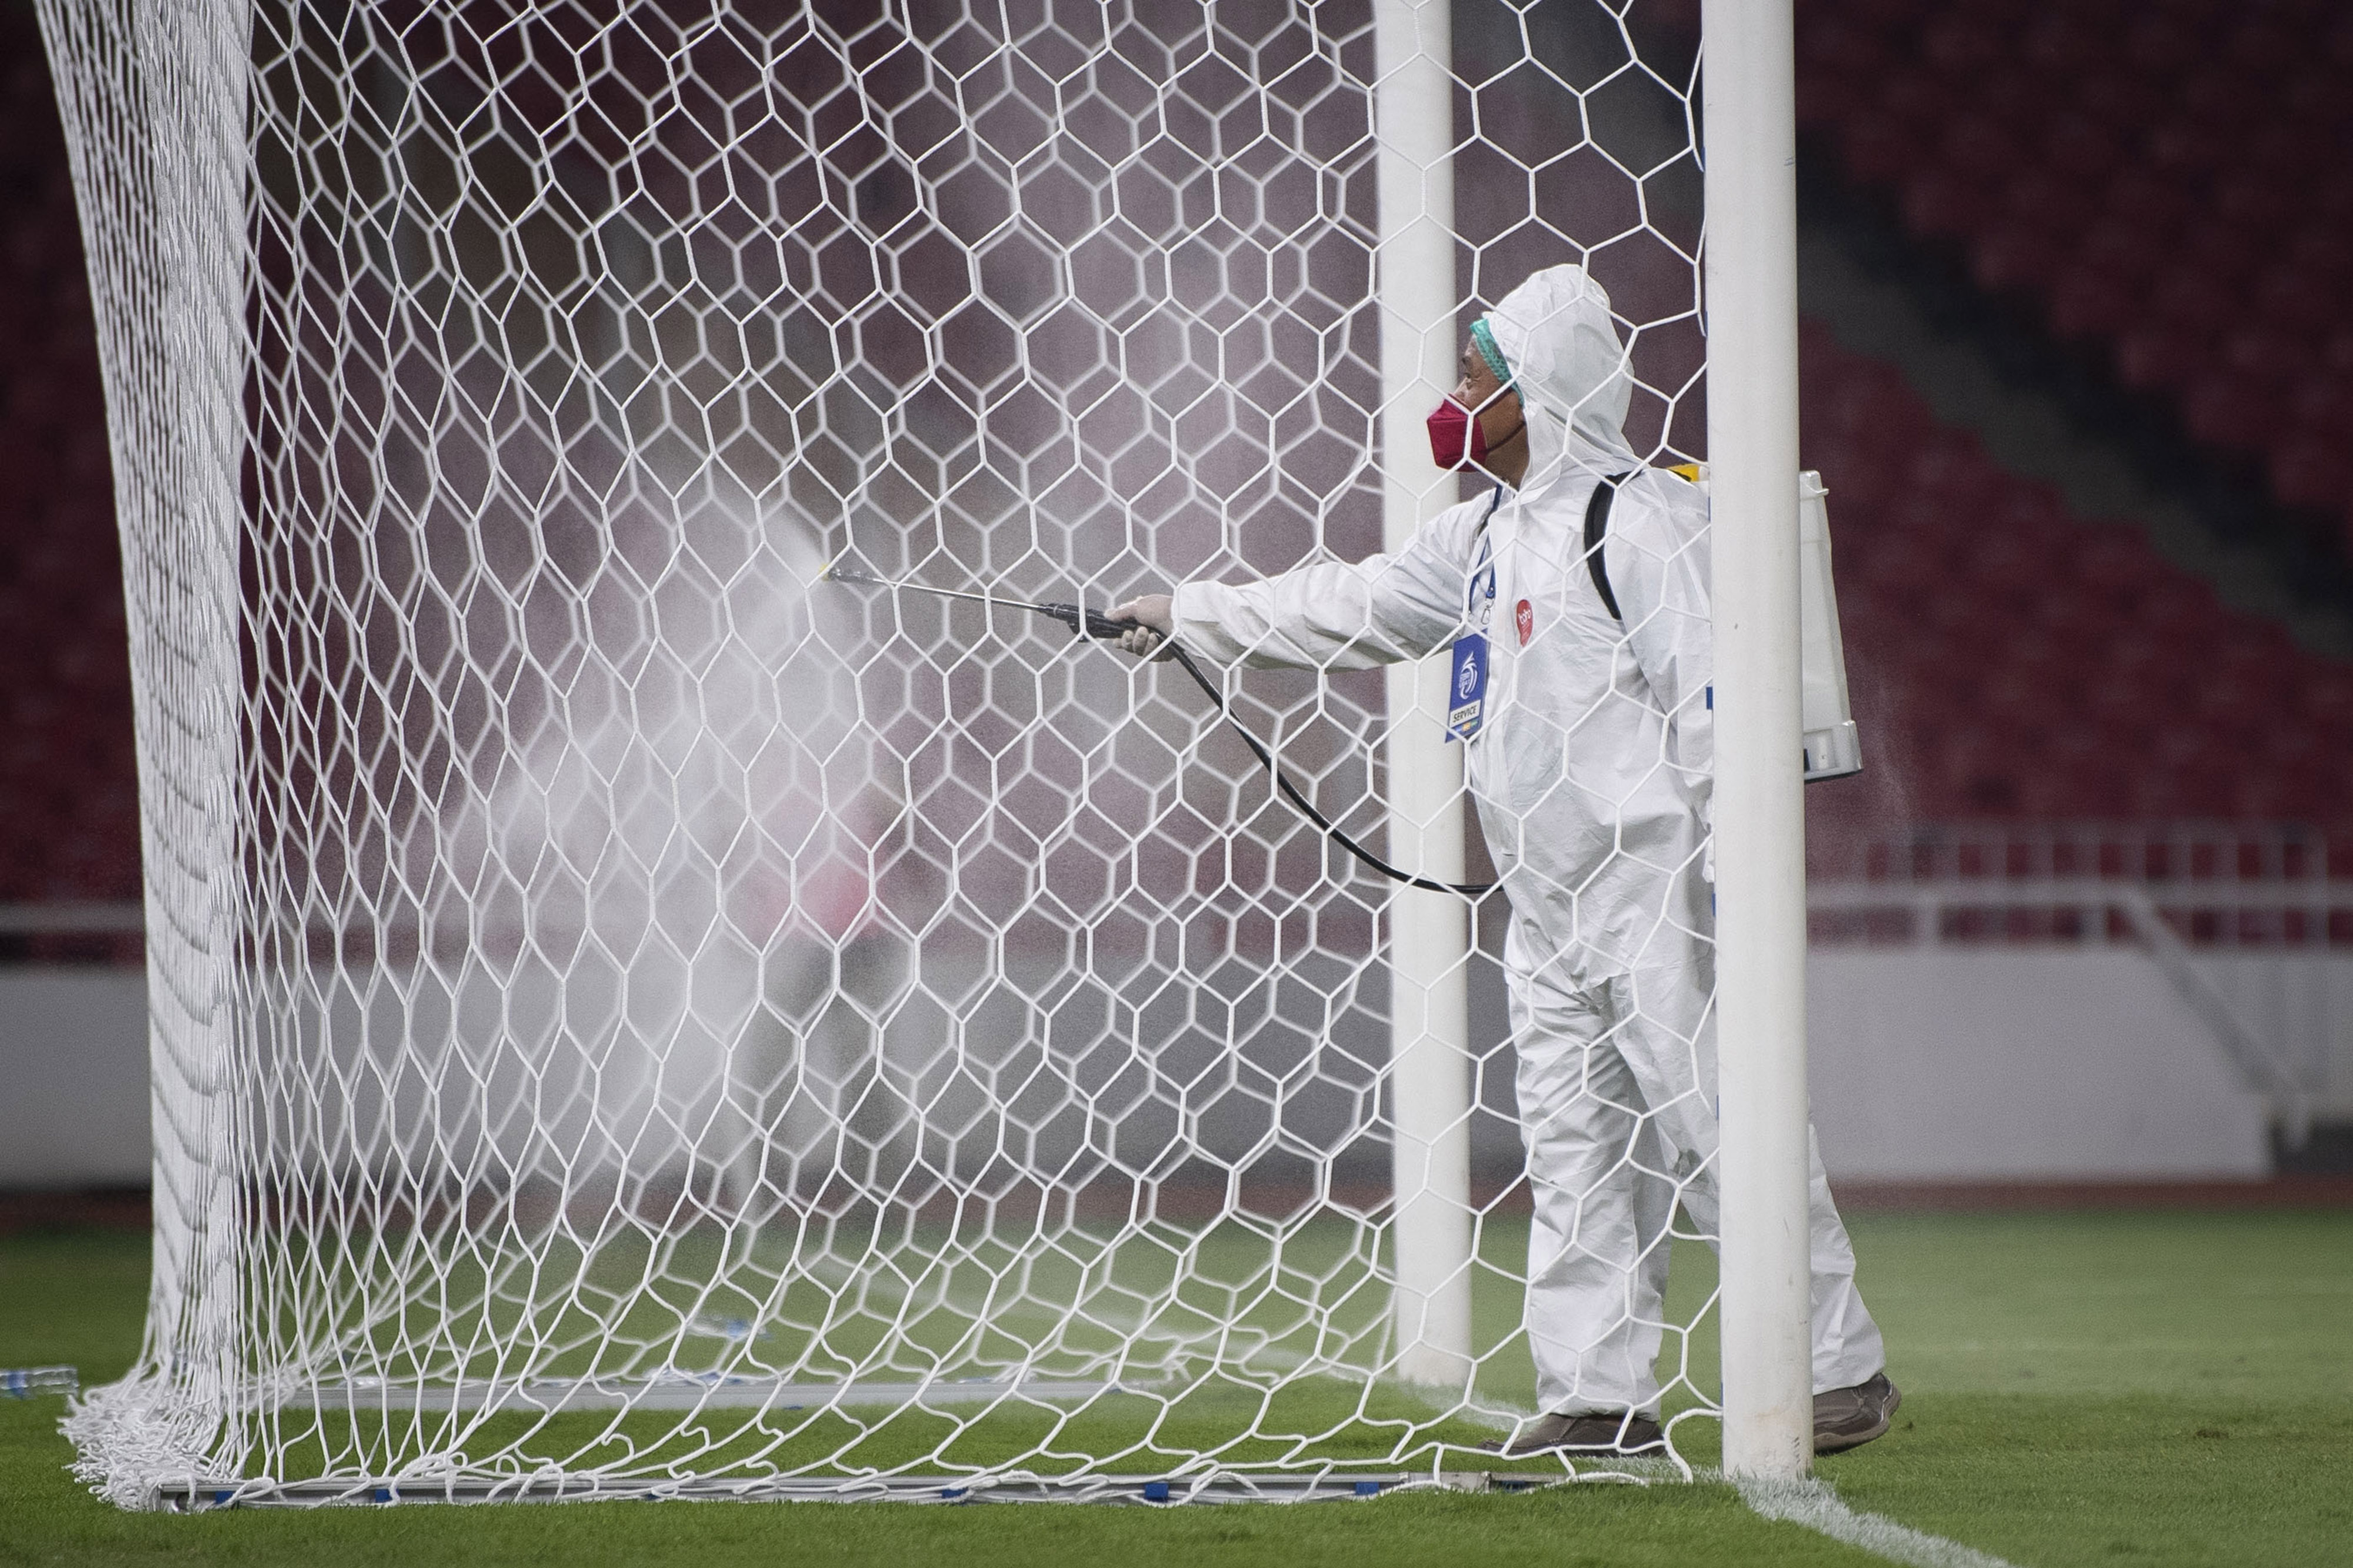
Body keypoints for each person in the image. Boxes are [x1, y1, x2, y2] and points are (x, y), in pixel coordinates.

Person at [1109, 263, 1899, 1456]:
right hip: (1545, 900)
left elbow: (1712, 707)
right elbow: (1349, 602)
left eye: (1475, 373)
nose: (1455, 392)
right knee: (1574, 1143)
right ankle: (1595, 1393)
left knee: (1719, 1124)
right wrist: (1188, 615)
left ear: (1536, 388)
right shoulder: (1476, 538)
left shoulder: (1638, 522)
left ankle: (1836, 1366)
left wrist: (1733, 885)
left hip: (1654, 885)